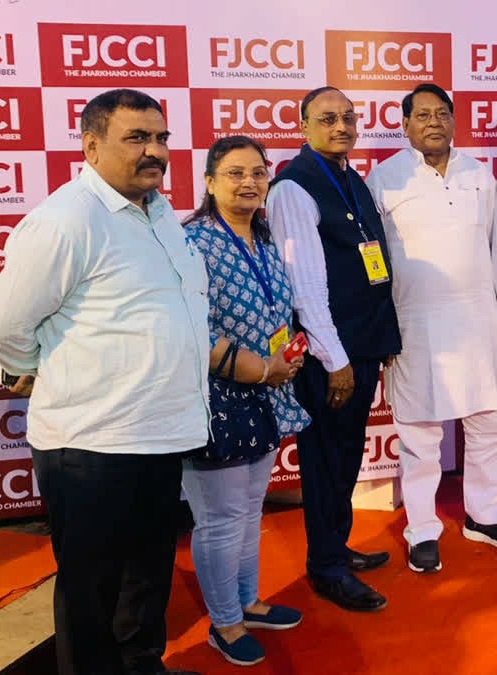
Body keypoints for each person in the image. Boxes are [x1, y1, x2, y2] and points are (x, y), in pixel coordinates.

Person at [0, 89, 207, 675]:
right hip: (90, 445)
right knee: (91, 595)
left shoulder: (159, 212)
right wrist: (38, 365)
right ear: (91, 146)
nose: (155, 151)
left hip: (159, 435)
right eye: (137, 138)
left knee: (145, 580)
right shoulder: (66, 221)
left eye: (160, 138)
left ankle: (142, 665)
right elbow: (0, 328)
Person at [366, 84, 497, 574]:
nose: (433, 122)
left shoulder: (479, 175)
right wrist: (382, 328)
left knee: (489, 423)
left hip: (478, 321)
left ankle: (487, 517)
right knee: (418, 435)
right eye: (422, 115)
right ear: (405, 125)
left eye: (442, 113)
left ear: (455, 121)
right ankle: (422, 529)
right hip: (413, 324)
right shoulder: (384, 179)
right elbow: (372, 261)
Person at [267, 86, 401, 612]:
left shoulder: (348, 177)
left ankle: (336, 548)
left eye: (348, 117)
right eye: (327, 119)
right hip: (330, 356)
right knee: (325, 461)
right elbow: (303, 287)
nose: (341, 126)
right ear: (303, 126)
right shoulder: (293, 188)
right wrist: (336, 359)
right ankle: (325, 568)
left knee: (345, 455)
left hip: (358, 346)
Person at [181, 135, 311, 666]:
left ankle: (248, 602)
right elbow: (192, 328)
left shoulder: (263, 235)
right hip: (217, 400)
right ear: (209, 182)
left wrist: (285, 359)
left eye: (258, 172)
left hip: (265, 394)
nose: (249, 182)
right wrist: (260, 368)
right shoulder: (191, 242)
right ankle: (225, 624)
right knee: (219, 519)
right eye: (235, 173)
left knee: (249, 510)